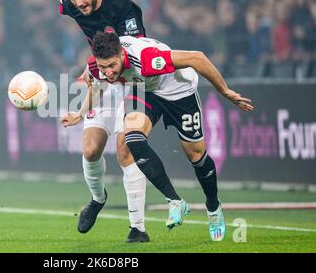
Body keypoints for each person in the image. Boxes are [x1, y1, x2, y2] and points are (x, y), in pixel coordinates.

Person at [62, 31, 254, 241]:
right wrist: (79, 115)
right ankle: (175, 201)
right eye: (103, 67)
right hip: (145, 91)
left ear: (122, 55)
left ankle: (213, 206)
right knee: (132, 138)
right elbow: (98, 87)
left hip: (179, 92)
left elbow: (197, 58)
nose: (108, 72)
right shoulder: (97, 66)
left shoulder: (147, 59)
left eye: (112, 66)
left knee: (196, 156)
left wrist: (225, 91)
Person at [16, 0, 150, 242]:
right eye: (74, 0)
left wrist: (96, 75)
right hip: (100, 79)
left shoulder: (123, 7)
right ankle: (97, 198)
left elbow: (135, 53)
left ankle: (138, 229)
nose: (79, 4)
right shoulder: (75, 4)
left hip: (131, 83)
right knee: (90, 150)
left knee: (125, 152)